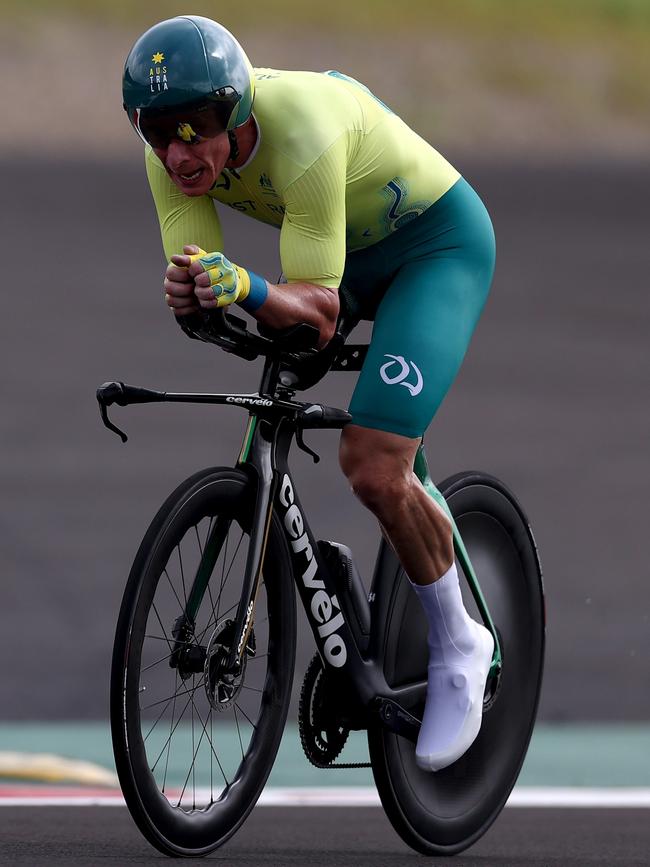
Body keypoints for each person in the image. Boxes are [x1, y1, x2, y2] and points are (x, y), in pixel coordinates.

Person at [122, 15, 496, 772]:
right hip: (343, 251)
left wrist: (246, 286)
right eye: (158, 131)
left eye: (195, 130)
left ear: (236, 111)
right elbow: (211, 286)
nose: (178, 152)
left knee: (371, 460)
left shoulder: (305, 128)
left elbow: (317, 312)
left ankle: (463, 641)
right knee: (276, 402)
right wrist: (194, 296)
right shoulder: (168, 155)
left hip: (434, 248)